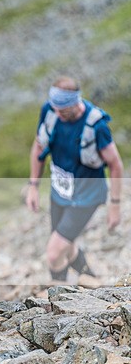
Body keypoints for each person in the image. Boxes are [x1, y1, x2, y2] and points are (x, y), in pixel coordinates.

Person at [25, 76, 123, 283]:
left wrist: (114, 205)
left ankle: (58, 300)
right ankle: (92, 283)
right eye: (55, 109)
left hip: (86, 197)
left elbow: (115, 165)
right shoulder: (50, 111)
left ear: (74, 104)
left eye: (62, 110)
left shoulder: (96, 127)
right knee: (66, 247)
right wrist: (33, 185)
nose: (57, 115)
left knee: (53, 253)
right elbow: (39, 146)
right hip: (60, 192)